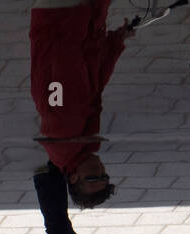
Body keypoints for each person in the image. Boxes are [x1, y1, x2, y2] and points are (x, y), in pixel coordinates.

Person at [28, 0, 134, 208]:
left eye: (93, 178)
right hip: (71, 21)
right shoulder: (75, 140)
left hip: (64, 17)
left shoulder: (65, 127)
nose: (100, 170)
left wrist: (84, 20)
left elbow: (63, 60)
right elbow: (95, 80)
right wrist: (114, 43)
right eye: (104, 175)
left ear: (74, 177)